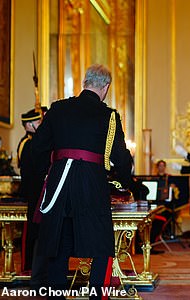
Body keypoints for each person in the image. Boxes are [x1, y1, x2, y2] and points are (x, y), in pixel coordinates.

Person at [31, 64, 133, 297]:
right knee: (101, 247)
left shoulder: (57, 109)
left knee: (58, 246)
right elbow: (121, 158)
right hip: (92, 186)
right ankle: (97, 294)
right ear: (106, 87)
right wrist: (125, 184)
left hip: (58, 185)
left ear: (84, 82)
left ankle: (57, 294)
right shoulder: (110, 117)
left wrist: (45, 176)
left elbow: (37, 148)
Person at [17, 106, 48, 288]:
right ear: (28, 125)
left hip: (38, 191)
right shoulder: (28, 143)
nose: (40, 124)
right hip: (34, 192)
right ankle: (30, 269)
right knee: (33, 231)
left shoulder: (35, 141)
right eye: (37, 122)